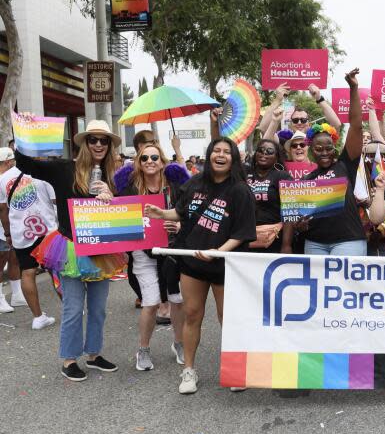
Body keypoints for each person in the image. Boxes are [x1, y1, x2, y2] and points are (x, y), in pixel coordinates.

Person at [14, 119, 126, 381]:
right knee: (73, 308)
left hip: (102, 250)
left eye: (104, 140)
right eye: (93, 139)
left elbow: (125, 210)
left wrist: (113, 197)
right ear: (85, 143)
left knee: (98, 308)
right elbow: (25, 164)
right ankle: (69, 359)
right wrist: (23, 133)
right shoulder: (65, 169)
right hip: (71, 249)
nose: (99, 144)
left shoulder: (113, 175)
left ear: (109, 145)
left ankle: (94, 354)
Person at [144, 137, 256, 394]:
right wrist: (161, 214)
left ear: (233, 159)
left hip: (226, 264)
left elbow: (243, 231)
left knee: (228, 319)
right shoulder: (195, 183)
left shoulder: (240, 190)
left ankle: (236, 370)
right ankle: (188, 371)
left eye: (226, 152)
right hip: (192, 262)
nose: (220, 155)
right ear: (209, 154)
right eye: (216, 150)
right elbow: (181, 213)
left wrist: (219, 252)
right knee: (192, 315)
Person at [119, 143, 188, 371]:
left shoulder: (175, 187)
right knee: (150, 303)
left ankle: (178, 343)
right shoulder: (130, 189)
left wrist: (179, 226)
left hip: (172, 252)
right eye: (145, 157)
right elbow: (116, 214)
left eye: (155, 157)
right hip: (144, 253)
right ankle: (143, 349)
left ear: (162, 162)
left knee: (177, 301)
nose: (150, 161)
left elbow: (189, 213)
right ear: (138, 162)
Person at [299, 68, 366, 256]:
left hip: (348, 242)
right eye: (319, 149)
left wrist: (353, 88)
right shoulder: (306, 179)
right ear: (311, 151)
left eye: (328, 148)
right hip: (314, 243)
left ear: (335, 148)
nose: (324, 152)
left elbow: (356, 125)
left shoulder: (345, 164)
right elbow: (300, 217)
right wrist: (300, 225)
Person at [0, 148, 57, 328]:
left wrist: (8, 233)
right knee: (56, 270)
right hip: (47, 229)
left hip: (21, 231)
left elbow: (3, 210)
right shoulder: (44, 173)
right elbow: (56, 202)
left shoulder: (3, 179)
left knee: (28, 271)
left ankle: (38, 317)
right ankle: (73, 308)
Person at [246, 139, 293, 254]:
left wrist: (286, 245)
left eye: (269, 151)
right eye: (260, 150)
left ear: (276, 157)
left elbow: (289, 212)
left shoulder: (283, 176)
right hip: (245, 238)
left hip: (274, 239)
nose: (264, 154)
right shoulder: (244, 172)